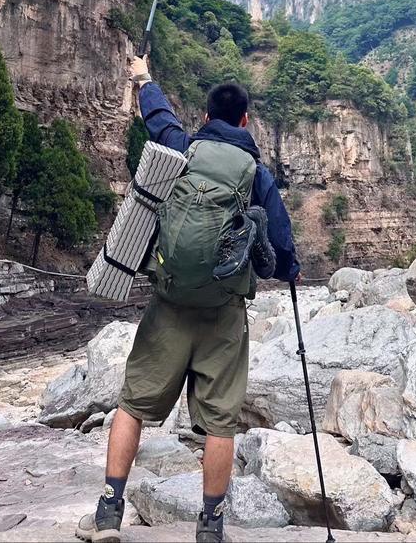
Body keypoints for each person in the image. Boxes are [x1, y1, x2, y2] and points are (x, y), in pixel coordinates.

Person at [76, 57, 300, 543]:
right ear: (245, 121)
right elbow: (281, 252)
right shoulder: (256, 173)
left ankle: (108, 515)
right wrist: (291, 270)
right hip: (223, 314)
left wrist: (143, 77)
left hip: (168, 305)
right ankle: (210, 526)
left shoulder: (184, 148)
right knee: (219, 423)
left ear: (205, 117)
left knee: (133, 406)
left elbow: (158, 119)